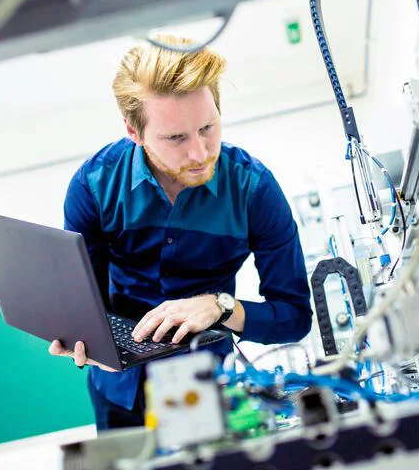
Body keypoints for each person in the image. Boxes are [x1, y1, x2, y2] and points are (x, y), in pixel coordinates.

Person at [48, 35, 313, 431]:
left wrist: (221, 306)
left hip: (209, 390)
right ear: (134, 132)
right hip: (117, 389)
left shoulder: (254, 191)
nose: (200, 152)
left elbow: (294, 318)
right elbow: (86, 301)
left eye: (208, 127)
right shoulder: (94, 185)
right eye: (175, 138)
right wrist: (78, 334)